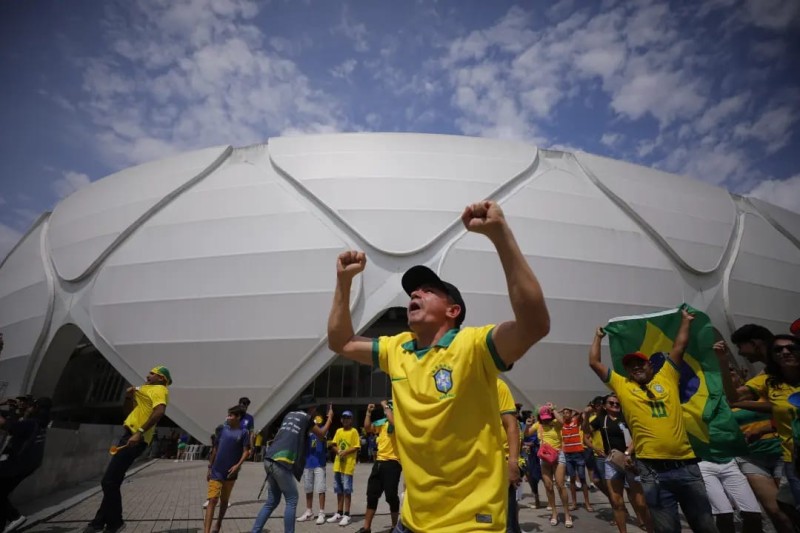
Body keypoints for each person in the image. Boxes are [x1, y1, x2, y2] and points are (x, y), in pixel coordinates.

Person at [327, 200, 550, 532]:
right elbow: (340, 342)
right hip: (413, 521)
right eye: (414, 290)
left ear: (453, 311)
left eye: (429, 290)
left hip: (472, 523)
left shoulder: (474, 346)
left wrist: (500, 235)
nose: (415, 292)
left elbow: (534, 324)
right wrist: (344, 283)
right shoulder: (397, 347)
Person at [589, 314, 718, 533]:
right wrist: (597, 338)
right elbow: (594, 362)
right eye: (631, 366)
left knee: (705, 527)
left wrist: (686, 320)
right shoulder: (623, 385)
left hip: (686, 466)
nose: (636, 368)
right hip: (652, 472)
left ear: (650, 365)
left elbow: (679, 346)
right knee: (666, 529)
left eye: (640, 363)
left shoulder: (667, 375)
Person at [83, 366, 171, 533]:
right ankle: (99, 522)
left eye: (152, 373)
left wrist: (139, 432)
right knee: (113, 482)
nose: (148, 375)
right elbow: (128, 412)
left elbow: (159, 412)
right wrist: (128, 397)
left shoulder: (159, 389)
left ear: (161, 378)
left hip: (136, 438)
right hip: (129, 435)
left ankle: (115, 523)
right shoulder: (145, 390)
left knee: (108, 482)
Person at [723, 334, 800, 509]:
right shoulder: (768, 382)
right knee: (785, 509)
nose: (785, 352)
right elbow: (734, 398)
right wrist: (722, 360)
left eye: (791, 348)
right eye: (778, 349)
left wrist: (764, 428)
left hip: (776, 452)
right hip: (793, 460)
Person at [251, 396, 333, 533]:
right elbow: (322, 434)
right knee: (292, 499)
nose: (315, 411)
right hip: (282, 461)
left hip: (269, 457)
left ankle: (255, 530)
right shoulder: (307, 419)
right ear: (311, 408)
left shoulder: (289, 415)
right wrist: (330, 418)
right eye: (314, 408)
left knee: (272, 501)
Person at [584, 394, 650, 533]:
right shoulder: (602, 419)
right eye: (611, 403)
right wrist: (585, 416)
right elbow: (586, 432)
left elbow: (638, 435)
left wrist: (627, 453)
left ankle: (650, 527)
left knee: (640, 502)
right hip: (612, 461)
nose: (614, 405)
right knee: (616, 501)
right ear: (605, 405)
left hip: (631, 460)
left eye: (617, 403)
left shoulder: (627, 416)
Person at [0, 396, 51, 533]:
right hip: (25, 466)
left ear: (35, 408)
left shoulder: (30, 423)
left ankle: (15, 516)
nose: (23, 405)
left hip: (15, 464)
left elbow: (6, 424)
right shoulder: (40, 423)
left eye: (28, 405)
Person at [356, 400, 402, 533]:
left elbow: (394, 423)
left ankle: (394, 527)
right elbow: (367, 427)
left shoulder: (400, 422)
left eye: (389, 409)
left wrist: (386, 407)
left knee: (391, 496)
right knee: (371, 495)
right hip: (379, 463)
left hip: (393, 463)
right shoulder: (382, 423)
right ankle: (366, 528)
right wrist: (368, 413)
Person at [204, 405, 251, 533]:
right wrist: (210, 467)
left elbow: (246, 452)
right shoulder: (221, 430)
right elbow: (215, 449)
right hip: (216, 470)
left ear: (238, 417)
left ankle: (218, 524)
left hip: (231, 473)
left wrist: (237, 465)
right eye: (228, 415)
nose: (228, 417)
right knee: (212, 500)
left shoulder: (244, 433)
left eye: (231, 415)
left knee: (224, 501)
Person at [526, 404, 572, 527]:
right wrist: (528, 424)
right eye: (544, 417)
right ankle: (554, 513)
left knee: (560, 484)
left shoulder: (556, 423)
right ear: (540, 417)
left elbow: (563, 422)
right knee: (548, 486)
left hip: (557, 455)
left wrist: (554, 410)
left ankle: (567, 513)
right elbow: (526, 434)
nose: (546, 419)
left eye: (548, 416)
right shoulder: (538, 425)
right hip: (544, 457)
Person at [326, 410, 360, 526]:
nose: (346, 420)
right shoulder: (338, 431)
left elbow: (356, 447)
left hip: (348, 466)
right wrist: (338, 451)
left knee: (347, 490)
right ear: (341, 420)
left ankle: (347, 514)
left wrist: (345, 452)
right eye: (344, 418)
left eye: (348, 418)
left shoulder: (354, 431)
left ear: (351, 420)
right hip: (338, 465)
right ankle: (339, 512)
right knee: (339, 490)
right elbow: (333, 444)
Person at [496, 379, 522, 533]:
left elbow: (511, 425)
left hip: (500, 465)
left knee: (507, 523)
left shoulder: (497, 385)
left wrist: (513, 463)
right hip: (471, 468)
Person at [560, 407, 594, 514]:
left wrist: (572, 409)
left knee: (583, 478)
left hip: (578, 453)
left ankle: (587, 502)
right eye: (564, 413)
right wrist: (557, 411)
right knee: (572, 479)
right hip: (568, 454)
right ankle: (574, 503)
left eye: (567, 413)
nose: (565, 415)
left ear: (571, 414)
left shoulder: (575, 422)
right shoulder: (562, 424)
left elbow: (580, 412)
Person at [297, 415, 329, 525]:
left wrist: (329, 418)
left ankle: (321, 513)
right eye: (315, 423)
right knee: (308, 488)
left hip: (319, 464)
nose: (317, 425)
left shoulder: (324, 430)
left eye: (318, 423)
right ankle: (309, 511)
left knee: (320, 489)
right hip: (308, 464)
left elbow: (322, 437)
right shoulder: (306, 432)